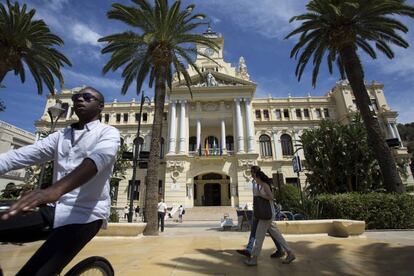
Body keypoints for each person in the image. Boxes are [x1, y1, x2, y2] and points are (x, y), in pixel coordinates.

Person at [0, 86, 120, 275]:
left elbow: (97, 160)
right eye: (76, 97)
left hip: (85, 215)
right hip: (53, 210)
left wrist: (54, 191)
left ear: (101, 106)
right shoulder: (60, 136)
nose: (80, 99)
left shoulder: (109, 133)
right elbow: (19, 156)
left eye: (87, 97)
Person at [244, 171, 295, 266]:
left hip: (266, 215)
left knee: (259, 237)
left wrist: (260, 195)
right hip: (266, 215)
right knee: (277, 235)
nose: (253, 178)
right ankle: (290, 253)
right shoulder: (259, 185)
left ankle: (254, 259)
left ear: (259, 177)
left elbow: (271, 197)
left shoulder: (264, 185)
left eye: (254, 177)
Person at [237, 166, 284, 259]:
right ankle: (249, 249)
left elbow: (268, 196)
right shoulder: (254, 182)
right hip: (258, 210)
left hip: (264, 211)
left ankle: (281, 250)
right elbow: (255, 197)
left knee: (271, 232)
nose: (250, 173)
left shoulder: (261, 182)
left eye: (252, 171)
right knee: (255, 230)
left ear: (256, 172)